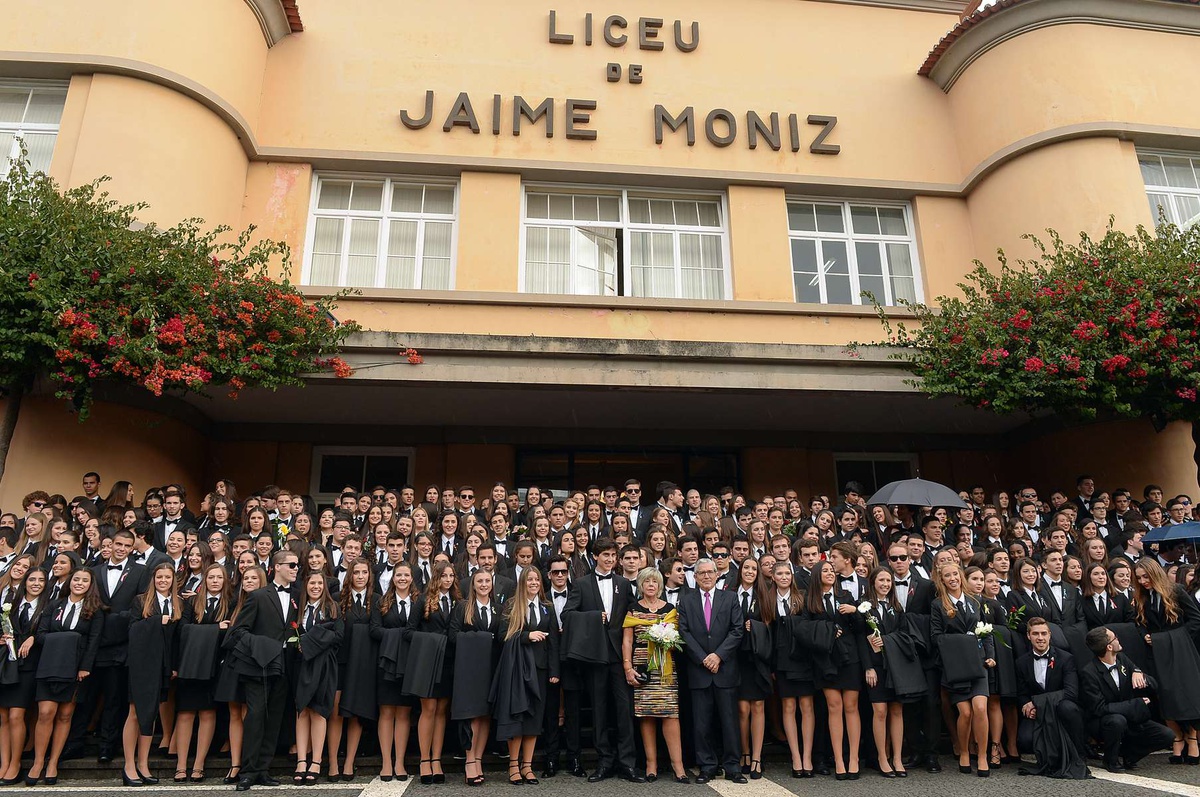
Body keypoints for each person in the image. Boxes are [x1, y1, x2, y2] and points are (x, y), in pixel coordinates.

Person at [563, 537, 642, 783]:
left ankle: (627, 764)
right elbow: (567, 615)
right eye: (605, 555)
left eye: (612, 555)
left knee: (624, 711)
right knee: (598, 712)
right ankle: (604, 762)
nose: (609, 559)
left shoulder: (623, 583)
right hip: (594, 657)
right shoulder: (581, 584)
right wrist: (596, 617)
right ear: (595, 556)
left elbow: (634, 615)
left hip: (620, 657)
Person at [227, 549, 300, 791]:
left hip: (285, 667)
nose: (295, 569)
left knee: (275, 717)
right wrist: (261, 647)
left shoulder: (297, 595)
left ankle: (263, 769)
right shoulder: (258, 596)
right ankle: (247, 771)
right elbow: (238, 631)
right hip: (259, 666)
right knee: (256, 717)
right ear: (277, 566)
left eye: (296, 565)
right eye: (291, 565)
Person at [28, 567, 103, 786]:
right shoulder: (54, 605)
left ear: (91, 585)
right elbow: (41, 634)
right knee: (45, 712)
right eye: (76, 579)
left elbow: (93, 642)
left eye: (85, 580)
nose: (79, 583)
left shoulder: (94, 610)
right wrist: (69, 638)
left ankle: (53, 762)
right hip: (50, 665)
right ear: (70, 581)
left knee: (65, 715)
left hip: (76, 667)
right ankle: (38, 761)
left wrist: (85, 667)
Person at [678, 558, 745, 784]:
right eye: (701, 573)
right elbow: (684, 632)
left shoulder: (730, 598)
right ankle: (707, 766)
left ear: (717, 575)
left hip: (725, 669)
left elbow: (737, 630)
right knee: (701, 723)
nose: (706, 577)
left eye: (710, 572)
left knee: (729, 722)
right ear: (695, 577)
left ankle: (733, 766)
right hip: (699, 670)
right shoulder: (686, 600)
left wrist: (718, 656)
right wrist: (703, 658)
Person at [622, 567, 688, 783]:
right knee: (647, 714)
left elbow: (678, 637)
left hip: (665, 667)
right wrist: (628, 667)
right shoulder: (632, 609)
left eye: (655, 582)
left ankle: (678, 767)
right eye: (647, 581)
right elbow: (627, 641)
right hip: (642, 666)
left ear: (660, 585)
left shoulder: (670, 610)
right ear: (641, 585)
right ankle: (651, 765)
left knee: (670, 714)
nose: (651, 585)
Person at [1133, 558, 1200, 763]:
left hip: (1180, 652)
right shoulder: (1142, 596)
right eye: (1139, 578)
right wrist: (1145, 634)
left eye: (1146, 576)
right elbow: (1139, 622)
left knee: (1187, 694)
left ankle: (1192, 738)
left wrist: (1172, 640)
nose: (1143, 581)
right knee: (1164, 694)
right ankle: (1177, 737)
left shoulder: (1176, 590)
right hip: (1156, 654)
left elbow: (1196, 619)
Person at [1080, 626, 1174, 772]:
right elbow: (1099, 708)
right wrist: (1135, 704)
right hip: (1103, 722)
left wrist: (1139, 673)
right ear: (1109, 646)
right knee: (1117, 721)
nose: (1118, 638)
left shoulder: (1123, 659)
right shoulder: (1089, 672)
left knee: (1167, 735)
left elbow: (1153, 684)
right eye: (1115, 637)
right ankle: (1110, 759)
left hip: (1129, 717)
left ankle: (1129, 755)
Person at [494, 566, 556, 785]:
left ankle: (527, 767)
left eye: (536, 579)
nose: (533, 583)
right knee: (517, 717)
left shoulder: (547, 607)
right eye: (529, 579)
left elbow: (553, 641)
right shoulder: (511, 605)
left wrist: (554, 671)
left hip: (540, 669)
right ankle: (513, 766)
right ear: (522, 582)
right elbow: (502, 635)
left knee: (534, 720)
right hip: (518, 669)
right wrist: (527, 636)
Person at [122, 561, 181, 786]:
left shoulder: (178, 603)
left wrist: (173, 665)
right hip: (141, 664)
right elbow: (132, 630)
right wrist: (157, 621)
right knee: (135, 712)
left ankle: (143, 764)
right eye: (159, 577)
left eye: (167, 578)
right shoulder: (140, 600)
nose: (163, 581)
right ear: (153, 579)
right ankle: (129, 765)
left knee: (151, 713)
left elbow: (177, 639)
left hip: (163, 665)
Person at [173, 562, 232, 784]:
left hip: (215, 666)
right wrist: (216, 629)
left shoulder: (230, 603)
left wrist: (213, 631)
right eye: (211, 577)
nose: (215, 581)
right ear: (204, 580)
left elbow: (231, 633)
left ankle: (198, 765)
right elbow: (183, 630)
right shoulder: (191, 602)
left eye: (219, 577)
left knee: (208, 714)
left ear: (225, 580)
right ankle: (181, 765)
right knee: (185, 714)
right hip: (190, 665)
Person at [449, 568, 504, 786]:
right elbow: (453, 636)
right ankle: (469, 760)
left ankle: (479, 758)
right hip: (469, 670)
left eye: (487, 581)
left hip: (491, 667)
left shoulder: (498, 609)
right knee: (471, 716)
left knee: (484, 715)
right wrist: (482, 637)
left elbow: (500, 638)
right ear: (473, 585)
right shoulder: (463, 607)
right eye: (479, 581)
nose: (483, 584)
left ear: (492, 584)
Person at [1014, 617, 1087, 777]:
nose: (1040, 638)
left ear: (1050, 635)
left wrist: (1037, 703)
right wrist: (1026, 703)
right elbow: (1022, 693)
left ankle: (1079, 754)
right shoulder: (1021, 662)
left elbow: (1071, 692)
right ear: (1028, 636)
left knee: (1068, 708)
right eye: (1035, 634)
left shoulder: (1066, 658)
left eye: (1043, 633)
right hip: (1038, 714)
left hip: (1060, 710)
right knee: (1025, 741)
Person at [328, 557, 376, 781]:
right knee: (336, 713)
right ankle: (332, 764)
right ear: (350, 576)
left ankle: (349, 762)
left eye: (364, 572)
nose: (360, 576)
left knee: (356, 714)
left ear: (369, 575)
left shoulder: (376, 600)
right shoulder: (337, 600)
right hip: (340, 661)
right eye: (356, 572)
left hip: (364, 665)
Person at [294, 571, 343, 785]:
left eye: (319, 583)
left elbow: (339, 636)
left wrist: (311, 639)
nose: (315, 586)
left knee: (319, 711)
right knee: (302, 710)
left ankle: (316, 761)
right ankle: (301, 761)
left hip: (324, 665)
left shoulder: (333, 608)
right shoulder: (297, 610)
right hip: (300, 664)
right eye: (312, 583)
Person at [371, 563, 418, 782]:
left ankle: (399, 761)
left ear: (411, 578)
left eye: (406, 575)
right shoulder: (382, 602)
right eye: (398, 575)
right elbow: (375, 630)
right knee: (387, 712)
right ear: (393, 578)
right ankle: (386, 762)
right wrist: (400, 634)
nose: (402, 578)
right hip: (387, 662)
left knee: (404, 713)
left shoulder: (419, 601)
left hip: (410, 664)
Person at [413, 562, 459, 785]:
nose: (448, 580)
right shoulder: (423, 600)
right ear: (436, 578)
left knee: (442, 711)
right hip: (428, 661)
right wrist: (432, 641)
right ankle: (424, 760)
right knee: (428, 709)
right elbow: (409, 632)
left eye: (451, 576)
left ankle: (437, 760)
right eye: (444, 576)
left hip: (450, 662)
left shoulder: (458, 601)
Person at [859, 566, 907, 777]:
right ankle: (881, 757)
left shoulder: (897, 608)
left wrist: (887, 641)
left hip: (896, 666)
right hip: (876, 667)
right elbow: (861, 640)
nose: (886, 584)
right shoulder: (864, 607)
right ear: (873, 583)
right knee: (880, 712)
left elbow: (904, 635)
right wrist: (868, 666)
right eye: (881, 580)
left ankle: (897, 757)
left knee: (897, 711)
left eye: (889, 581)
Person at [0, 568, 46, 784]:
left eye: (41, 580)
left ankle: (15, 763)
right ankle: (4, 762)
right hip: (6, 663)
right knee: (2, 717)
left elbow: (49, 631)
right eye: (32, 579)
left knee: (16, 716)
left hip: (29, 666)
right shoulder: (12, 603)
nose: (36, 583)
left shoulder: (47, 606)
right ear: (25, 582)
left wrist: (33, 638)